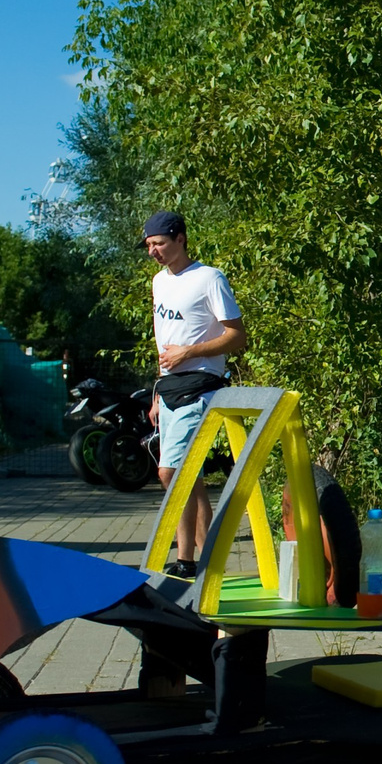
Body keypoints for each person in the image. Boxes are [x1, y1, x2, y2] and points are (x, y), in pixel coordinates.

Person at [143, 211, 248, 577]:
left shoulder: (208, 278)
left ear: (181, 239)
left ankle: (197, 560)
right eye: (149, 246)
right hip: (169, 388)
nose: (153, 251)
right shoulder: (159, 282)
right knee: (189, 476)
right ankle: (193, 561)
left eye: (159, 244)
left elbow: (237, 337)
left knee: (169, 473)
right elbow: (164, 343)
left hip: (202, 385)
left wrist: (189, 353)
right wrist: (156, 393)